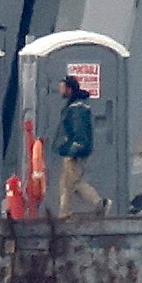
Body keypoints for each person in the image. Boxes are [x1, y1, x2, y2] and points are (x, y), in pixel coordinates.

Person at [48, 72, 96, 220]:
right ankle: (65, 213)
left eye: (62, 87)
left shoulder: (77, 108)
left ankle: (99, 204)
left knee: (73, 183)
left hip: (74, 151)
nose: (60, 91)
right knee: (66, 183)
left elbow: (79, 132)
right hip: (72, 150)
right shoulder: (76, 106)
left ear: (69, 89)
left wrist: (73, 149)